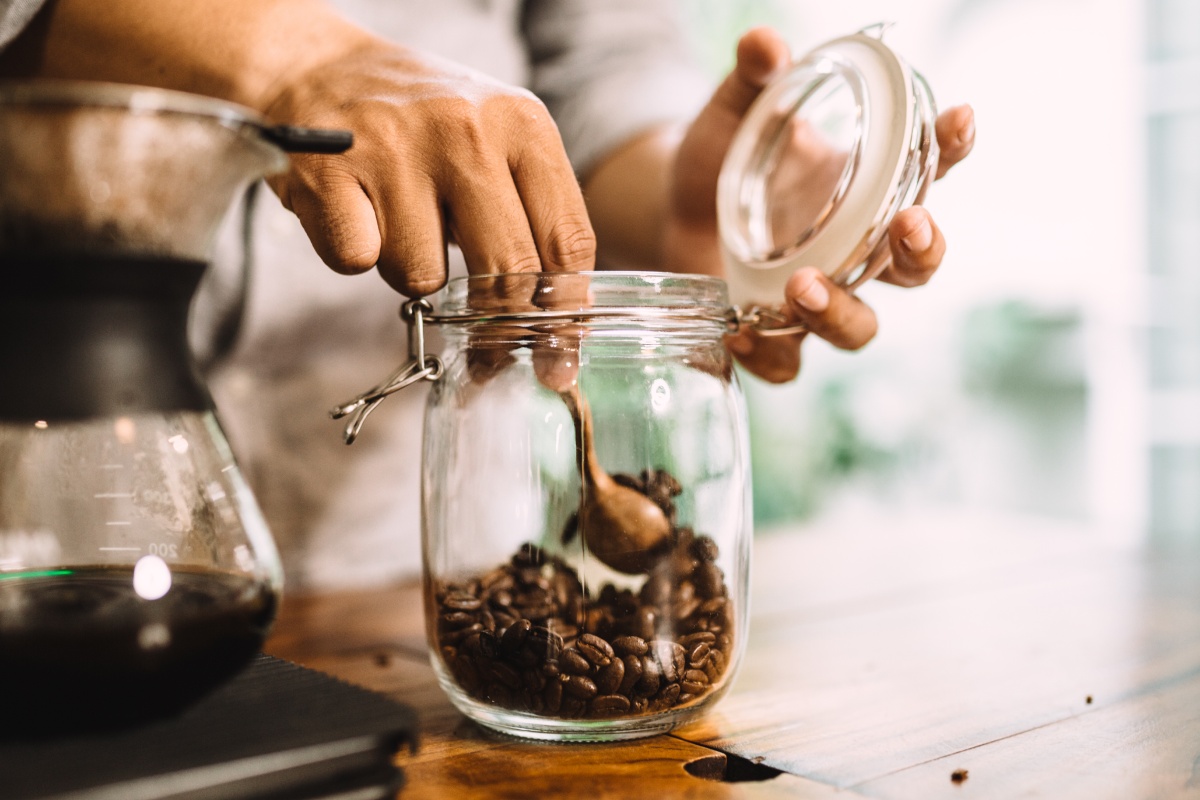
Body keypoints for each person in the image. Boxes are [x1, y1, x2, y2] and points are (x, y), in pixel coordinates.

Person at [0, 0, 974, 588]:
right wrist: (285, 58)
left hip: (388, 553)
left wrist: (684, 194)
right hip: (36, 485)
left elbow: (601, 63)